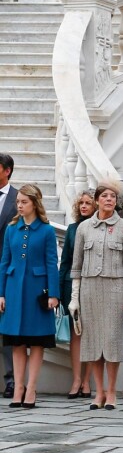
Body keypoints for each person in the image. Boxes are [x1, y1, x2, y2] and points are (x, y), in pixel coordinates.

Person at [69, 181, 123, 411]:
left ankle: (112, 392)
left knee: (111, 341)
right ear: (97, 199)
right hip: (89, 288)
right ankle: (98, 392)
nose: (109, 199)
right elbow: (76, 266)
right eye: (104, 196)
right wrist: (74, 297)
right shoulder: (84, 228)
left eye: (112, 197)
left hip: (114, 289)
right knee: (92, 342)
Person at [0, 184, 59, 409]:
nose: (20, 205)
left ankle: (32, 389)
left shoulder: (46, 230)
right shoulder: (11, 228)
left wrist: (53, 294)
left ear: (35, 203)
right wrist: (1, 293)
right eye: (18, 202)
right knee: (16, 343)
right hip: (14, 290)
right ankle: (18, 388)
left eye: (24, 202)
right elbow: (4, 262)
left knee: (36, 342)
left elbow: (52, 263)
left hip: (37, 292)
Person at [59, 190, 96, 399]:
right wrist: (57, 289)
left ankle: (86, 380)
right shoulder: (72, 229)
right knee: (76, 334)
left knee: (90, 334)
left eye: (88, 203)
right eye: (81, 203)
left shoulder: (99, 227)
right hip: (70, 286)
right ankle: (75, 379)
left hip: (93, 286)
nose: (83, 206)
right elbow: (65, 262)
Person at [0, 154, 17, 399]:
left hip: (9, 273)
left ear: (7, 171)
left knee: (8, 330)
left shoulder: (18, 199)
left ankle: (12, 379)